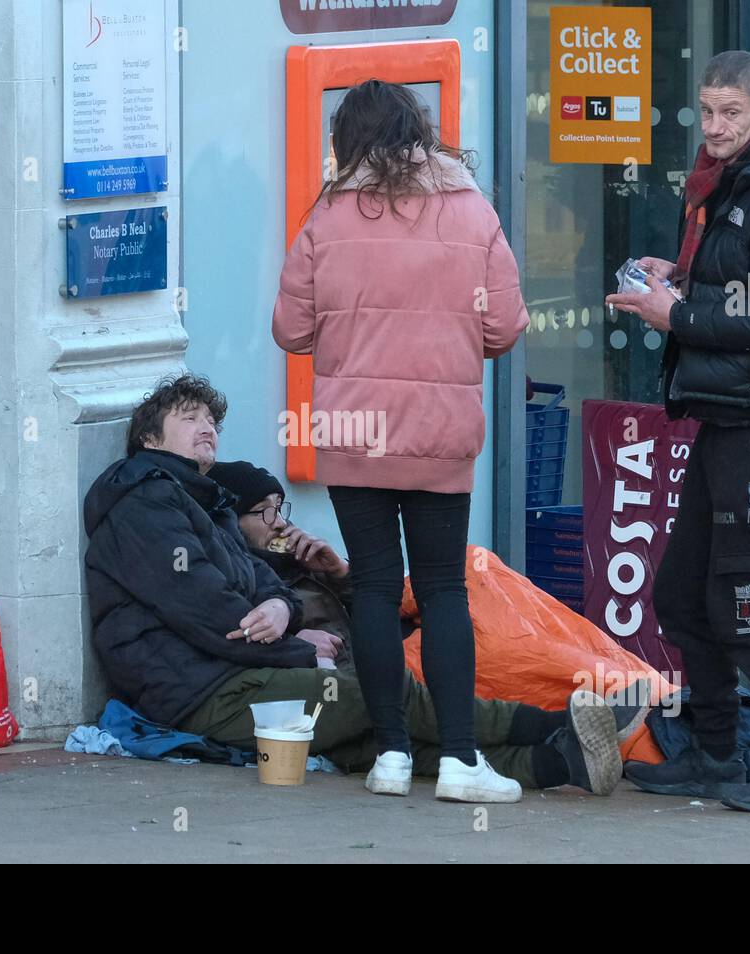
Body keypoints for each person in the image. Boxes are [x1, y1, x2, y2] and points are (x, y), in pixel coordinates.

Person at [83, 376, 628, 801]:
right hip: (197, 692)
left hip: (237, 674)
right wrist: (299, 649)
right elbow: (207, 610)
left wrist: (281, 605)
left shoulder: (206, 500)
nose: (207, 427)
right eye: (189, 417)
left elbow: (267, 585)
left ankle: (557, 763)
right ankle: (554, 725)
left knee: (369, 743)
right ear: (149, 440)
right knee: (375, 692)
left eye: (211, 419)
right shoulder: (146, 503)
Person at [271, 79, 531, 802]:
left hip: (355, 431)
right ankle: (457, 762)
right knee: (443, 589)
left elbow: (289, 330)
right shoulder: (473, 210)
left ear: (348, 140)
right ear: (419, 130)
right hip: (440, 435)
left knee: (377, 590)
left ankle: (389, 758)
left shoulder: (326, 218)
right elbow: (505, 328)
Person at [605, 51, 750, 813]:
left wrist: (681, 316)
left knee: (746, 597)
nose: (715, 127)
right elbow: (742, 282)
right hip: (728, 417)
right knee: (680, 593)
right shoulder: (725, 180)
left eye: (730, 112)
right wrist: (679, 276)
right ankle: (716, 756)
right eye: (706, 112)